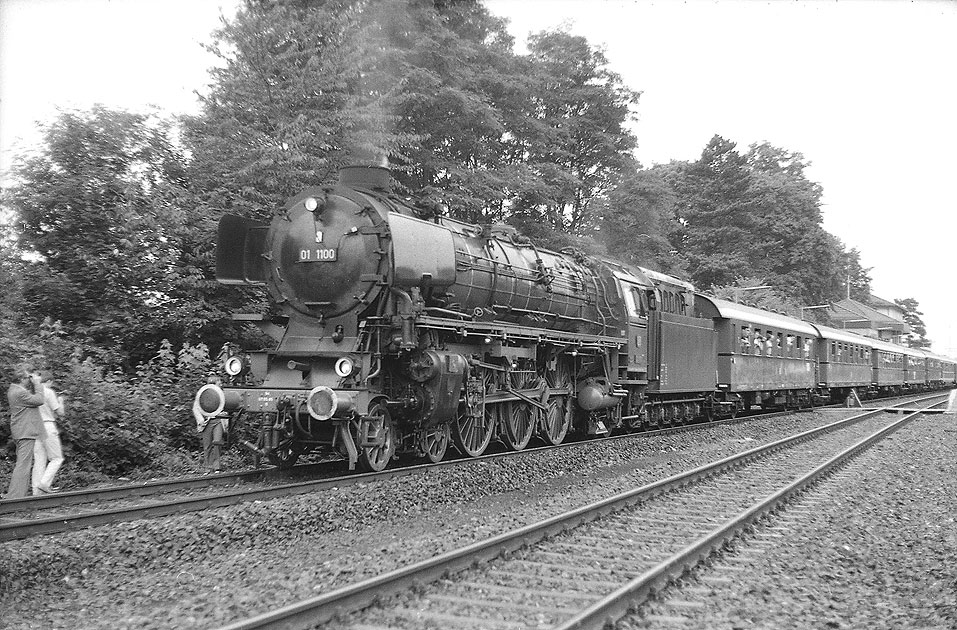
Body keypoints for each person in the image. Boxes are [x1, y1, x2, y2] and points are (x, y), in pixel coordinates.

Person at [4, 364, 46, 500]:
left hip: (21, 430)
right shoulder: (19, 392)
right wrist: (38, 384)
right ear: (22, 378)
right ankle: (15, 497)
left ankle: (16, 495)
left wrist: (33, 383)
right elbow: (39, 400)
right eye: (28, 377)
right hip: (25, 431)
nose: (30, 379)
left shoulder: (14, 389)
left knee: (23, 464)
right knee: (23, 465)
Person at [31, 371, 64, 494]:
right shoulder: (49, 392)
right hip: (48, 425)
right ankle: (44, 483)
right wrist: (61, 401)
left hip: (35, 427)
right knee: (56, 458)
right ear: (49, 381)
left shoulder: (33, 393)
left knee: (39, 459)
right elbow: (60, 412)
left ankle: (36, 490)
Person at [192, 377, 228, 473]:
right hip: (207, 422)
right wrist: (201, 420)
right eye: (219, 382)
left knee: (217, 442)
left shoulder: (222, 394)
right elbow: (196, 408)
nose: (220, 384)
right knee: (207, 445)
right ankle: (207, 467)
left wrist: (225, 414)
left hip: (218, 421)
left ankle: (217, 466)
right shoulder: (204, 393)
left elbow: (226, 407)